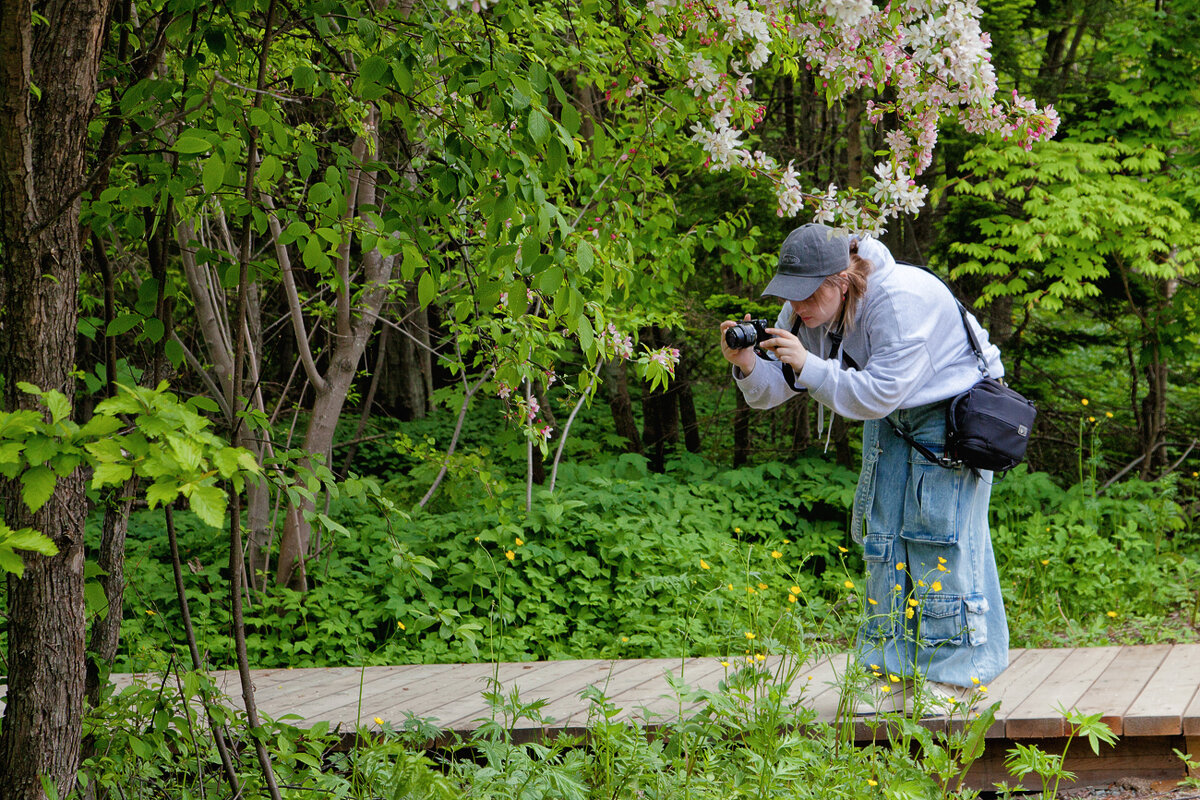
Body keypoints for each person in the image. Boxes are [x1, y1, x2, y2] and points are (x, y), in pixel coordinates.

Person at [719, 222, 1009, 712]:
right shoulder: (804, 300)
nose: (798, 308)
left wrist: (810, 368)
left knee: (942, 539)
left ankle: (958, 681)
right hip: (890, 412)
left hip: (952, 412)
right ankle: (891, 673)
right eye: (790, 296)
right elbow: (780, 387)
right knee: (883, 539)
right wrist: (747, 362)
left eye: (807, 296)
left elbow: (877, 391)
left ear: (840, 280)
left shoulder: (899, 300)